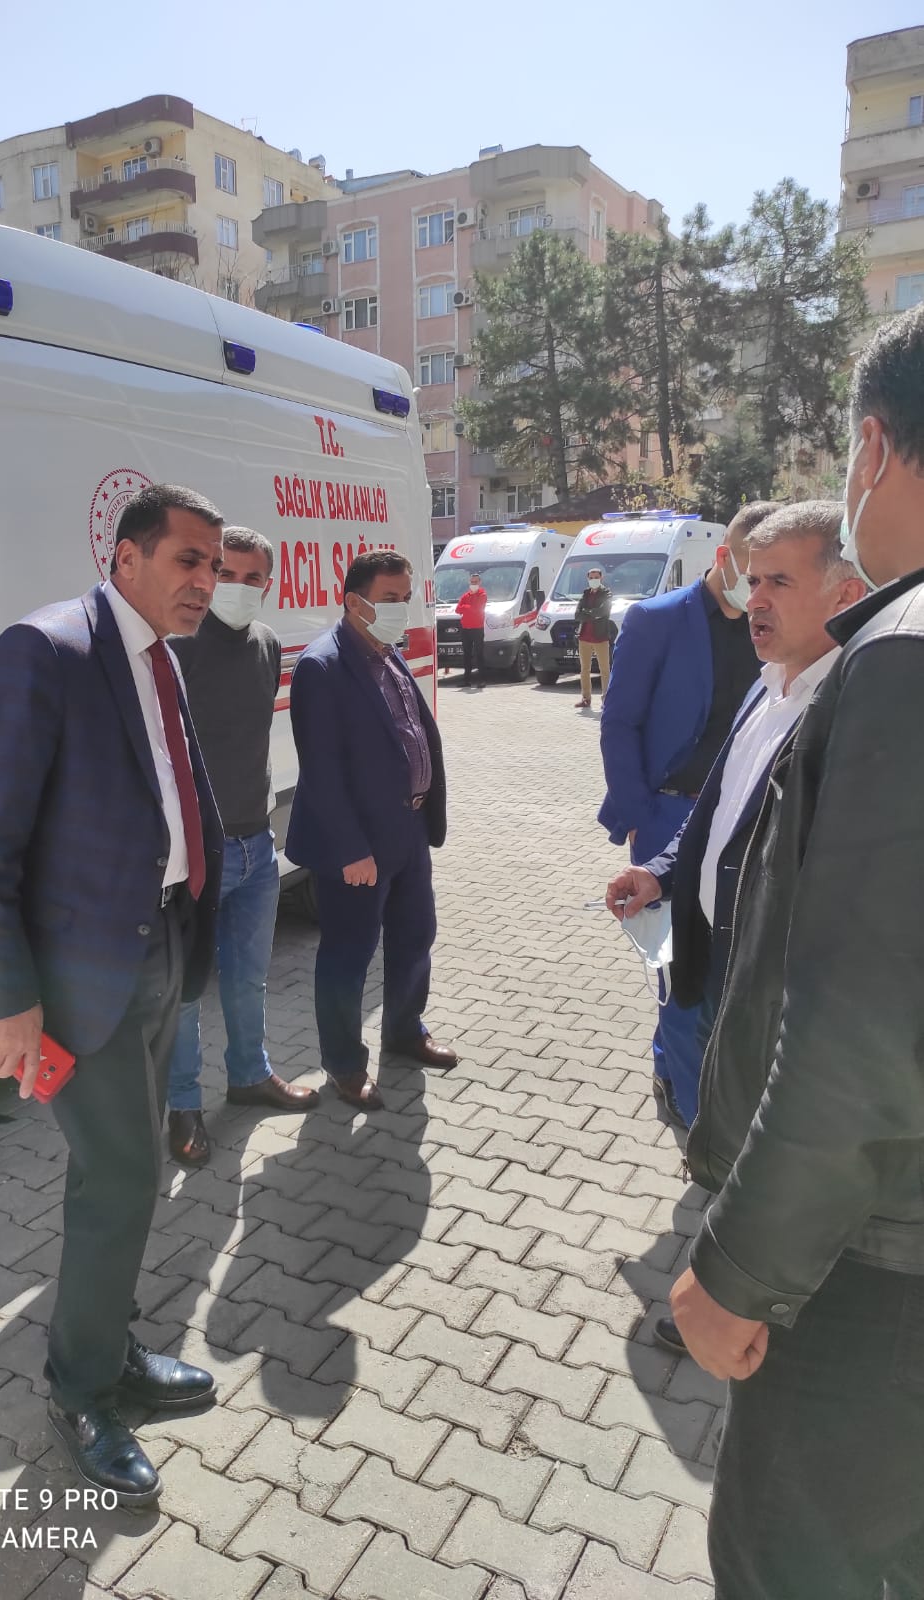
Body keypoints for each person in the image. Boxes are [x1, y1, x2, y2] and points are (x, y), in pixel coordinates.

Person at [669, 305, 924, 1599]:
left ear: (872, 449)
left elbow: (860, 1035)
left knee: (789, 1561)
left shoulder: (900, 660)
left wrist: (736, 1271)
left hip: (867, 1267)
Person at [0, 484, 227, 1510]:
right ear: (127, 557)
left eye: (213, 566)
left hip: (161, 944)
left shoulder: (160, 655)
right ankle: (80, 1391)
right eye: (188, 560)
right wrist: (7, 999)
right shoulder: (45, 651)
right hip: (84, 978)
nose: (206, 581)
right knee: (117, 1177)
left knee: (130, 1171)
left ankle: (110, 1347)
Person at [604, 502, 865, 1353]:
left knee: (765, 1156)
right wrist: (660, 871)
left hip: (775, 984)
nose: (753, 601)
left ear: (845, 590)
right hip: (711, 959)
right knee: (721, 1133)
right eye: (752, 580)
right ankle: (727, 1285)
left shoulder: (851, 708)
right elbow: (714, 813)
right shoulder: (766, 685)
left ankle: (743, 1314)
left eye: (778, 581)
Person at [597, 503, 775, 1126]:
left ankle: (686, 1069)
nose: (759, 591)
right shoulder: (657, 619)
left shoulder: (773, 623)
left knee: (724, 964)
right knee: (679, 969)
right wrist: (640, 815)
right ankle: (683, 1092)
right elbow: (619, 723)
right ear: (723, 558)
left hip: (743, 813)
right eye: (751, 573)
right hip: (669, 816)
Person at [166, 527, 320, 1166]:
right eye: (225, 573)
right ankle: (183, 1106)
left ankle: (250, 1076)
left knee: (248, 977)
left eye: (252, 578)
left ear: (268, 585)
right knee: (185, 991)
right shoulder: (177, 646)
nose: (236, 587)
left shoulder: (266, 644)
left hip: (257, 842)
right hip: (196, 853)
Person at [286, 549, 456, 1110]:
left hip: (408, 831)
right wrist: (351, 850)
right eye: (389, 599)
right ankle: (343, 1064)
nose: (400, 609)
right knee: (348, 956)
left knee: (415, 936)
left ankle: (404, 1030)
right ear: (353, 602)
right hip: (358, 846)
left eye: (406, 598)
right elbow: (321, 772)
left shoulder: (388, 653)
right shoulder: (322, 667)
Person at [572, 565, 612, 710]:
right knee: (584, 670)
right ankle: (586, 698)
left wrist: (587, 612)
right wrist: (592, 613)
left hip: (600, 637)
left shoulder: (606, 593)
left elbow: (603, 611)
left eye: (596, 577)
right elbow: (577, 615)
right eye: (591, 578)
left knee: (604, 670)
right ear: (587, 579)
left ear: (601, 578)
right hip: (584, 637)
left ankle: (606, 700)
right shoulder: (585, 594)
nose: (594, 580)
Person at [454, 570, 487, 685]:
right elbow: (457, 610)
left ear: (479, 582)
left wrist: (465, 607)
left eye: (475, 582)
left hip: (477, 629)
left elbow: (477, 609)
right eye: (472, 582)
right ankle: (466, 680)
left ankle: (482, 680)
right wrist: (468, 607)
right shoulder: (465, 595)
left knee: (479, 654)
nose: (473, 584)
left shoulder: (482, 595)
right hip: (466, 629)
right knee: (467, 655)